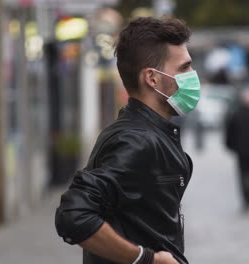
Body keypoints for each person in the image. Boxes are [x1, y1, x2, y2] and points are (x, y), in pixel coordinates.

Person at [55, 17, 201, 264]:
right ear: (152, 78)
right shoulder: (135, 140)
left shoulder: (148, 133)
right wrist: (145, 259)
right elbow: (74, 215)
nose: (192, 76)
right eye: (184, 68)